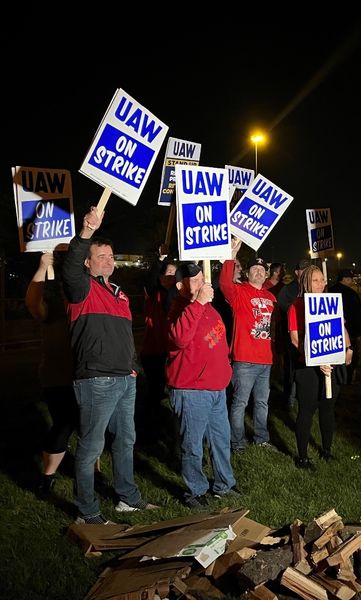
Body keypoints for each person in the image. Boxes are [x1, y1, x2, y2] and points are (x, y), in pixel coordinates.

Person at [62, 206, 158, 524]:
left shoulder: (119, 295)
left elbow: (125, 338)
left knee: (126, 439)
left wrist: (131, 367)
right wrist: (86, 232)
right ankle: (87, 512)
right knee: (91, 446)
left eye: (111, 256)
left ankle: (127, 498)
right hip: (96, 380)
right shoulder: (81, 289)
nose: (108, 260)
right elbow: (70, 267)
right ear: (88, 262)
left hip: (124, 379)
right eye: (100, 256)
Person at [166, 263, 239, 508]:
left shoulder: (208, 308)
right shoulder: (178, 307)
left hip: (216, 388)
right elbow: (179, 338)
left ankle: (224, 484)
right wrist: (197, 303)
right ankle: (195, 490)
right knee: (193, 445)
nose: (203, 284)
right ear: (180, 286)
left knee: (220, 440)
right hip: (191, 389)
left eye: (202, 278)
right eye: (195, 281)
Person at [288, 265, 352, 469]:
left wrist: (348, 348)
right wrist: (316, 359)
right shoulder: (296, 305)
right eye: (315, 280)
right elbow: (295, 338)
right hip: (308, 368)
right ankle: (303, 457)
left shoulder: (331, 303)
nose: (320, 284)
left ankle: (326, 450)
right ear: (306, 282)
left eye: (322, 280)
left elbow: (341, 328)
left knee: (328, 408)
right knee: (306, 411)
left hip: (330, 366)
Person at [25, 251, 79, 492]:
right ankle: (47, 477)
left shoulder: (82, 299)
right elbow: (34, 305)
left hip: (86, 376)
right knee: (63, 425)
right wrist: (41, 268)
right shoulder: (53, 305)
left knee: (91, 428)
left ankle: (92, 472)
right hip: (58, 377)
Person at [220, 238, 277, 453]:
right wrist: (230, 257)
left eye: (262, 270)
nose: (259, 273)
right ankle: (237, 443)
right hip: (244, 360)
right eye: (254, 269)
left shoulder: (271, 297)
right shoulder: (239, 292)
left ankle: (261, 438)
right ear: (248, 273)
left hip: (266, 360)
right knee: (240, 403)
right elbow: (225, 284)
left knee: (262, 403)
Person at [139, 244, 177, 434]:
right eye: (167, 273)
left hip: (171, 350)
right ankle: (151, 425)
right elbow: (150, 280)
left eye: (174, 274)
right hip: (154, 351)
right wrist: (160, 259)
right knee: (155, 391)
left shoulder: (178, 297)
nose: (171, 277)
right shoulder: (154, 294)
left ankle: (167, 424)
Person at [277, 259, 312, 407]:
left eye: (308, 270)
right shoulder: (288, 289)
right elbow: (285, 309)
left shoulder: (313, 288)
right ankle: (289, 398)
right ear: (297, 272)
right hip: (293, 336)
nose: (306, 273)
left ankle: (304, 396)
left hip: (310, 336)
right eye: (303, 270)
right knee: (292, 368)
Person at [328, 268, 361, 384]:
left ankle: (336, 378)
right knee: (351, 358)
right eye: (350, 278)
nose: (352, 281)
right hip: (351, 332)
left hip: (333, 331)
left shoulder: (329, 291)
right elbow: (358, 313)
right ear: (344, 279)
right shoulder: (351, 294)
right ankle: (347, 379)